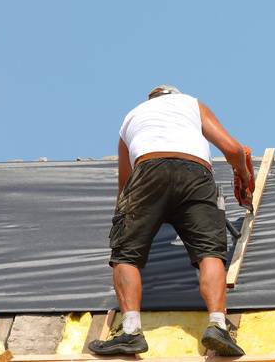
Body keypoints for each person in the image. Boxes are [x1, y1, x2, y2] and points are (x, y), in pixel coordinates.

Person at [88, 85, 252, 356]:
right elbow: (233, 150)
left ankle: (130, 331)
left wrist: (129, 222)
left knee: (126, 255)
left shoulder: (131, 117)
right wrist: (244, 177)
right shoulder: (190, 104)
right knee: (210, 252)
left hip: (148, 169)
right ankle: (218, 324)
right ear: (175, 95)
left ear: (150, 101)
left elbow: (125, 184)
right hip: (196, 173)